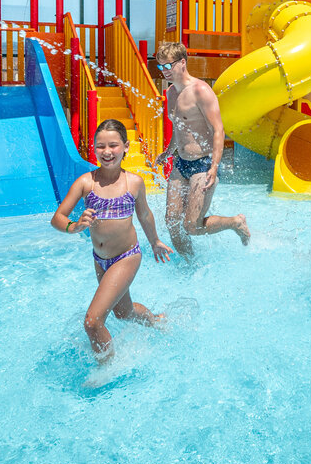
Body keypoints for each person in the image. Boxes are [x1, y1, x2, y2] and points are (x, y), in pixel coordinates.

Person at [51, 119, 172, 359]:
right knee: (123, 312)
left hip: (126, 257)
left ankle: (106, 367)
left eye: (113, 145)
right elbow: (58, 218)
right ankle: (156, 320)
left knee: (92, 322)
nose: (107, 152)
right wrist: (74, 227)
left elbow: (145, 214)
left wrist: (155, 241)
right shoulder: (86, 182)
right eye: (101, 146)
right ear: (94, 148)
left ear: (126, 147)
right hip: (100, 259)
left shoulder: (133, 182)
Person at [153, 42, 249, 257]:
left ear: (182, 62)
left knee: (192, 226)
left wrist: (214, 167)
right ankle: (189, 265)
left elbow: (218, 130)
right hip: (181, 163)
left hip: (203, 164)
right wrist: (168, 152)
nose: (165, 71)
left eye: (168, 65)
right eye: (160, 67)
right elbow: (180, 128)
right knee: (172, 223)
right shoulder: (170, 94)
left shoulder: (200, 91)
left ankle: (236, 222)